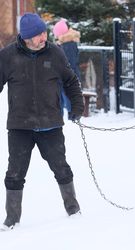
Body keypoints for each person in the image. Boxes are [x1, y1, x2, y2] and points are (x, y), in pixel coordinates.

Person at [0, 13, 84, 230]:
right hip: (20, 126)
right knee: (15, 172)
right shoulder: (8, 56)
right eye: (38, 35)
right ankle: (12, 220)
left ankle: (73, 209)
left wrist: (76, 107)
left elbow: (71, 81)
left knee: (61, 167)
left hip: (51, 124)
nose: (43, 37)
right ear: (26, 37)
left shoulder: (55, 53)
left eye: (44, 32)